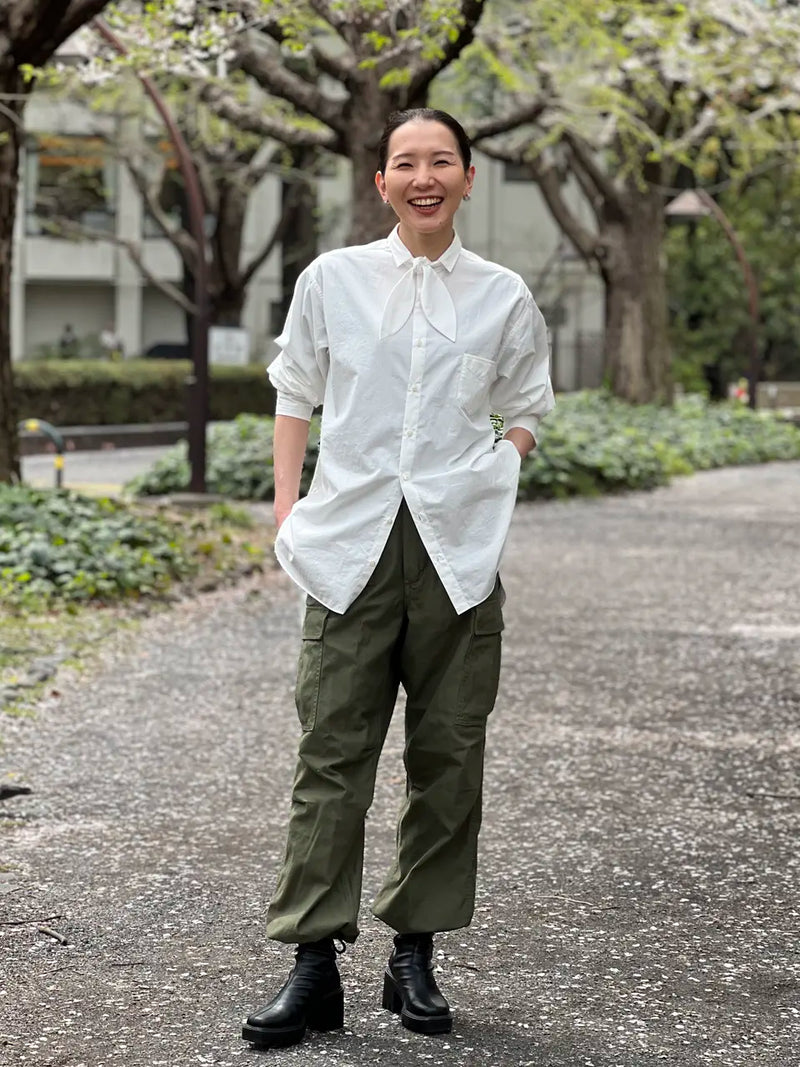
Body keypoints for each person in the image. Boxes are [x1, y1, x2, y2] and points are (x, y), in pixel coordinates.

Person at [242, 108, 555, 1050]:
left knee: (448, 758)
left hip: (457, 553)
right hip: (352, 549)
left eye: (441, 161)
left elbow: (529, 403)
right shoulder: (332, 279)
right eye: (406, 163)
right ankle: (312, 961)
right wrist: (287, 508)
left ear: (468, 178)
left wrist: (496, 464)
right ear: (381, 182)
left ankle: (414, 952)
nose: (424, 177)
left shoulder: (503, 295)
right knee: (331, 753)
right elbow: (295, 390)